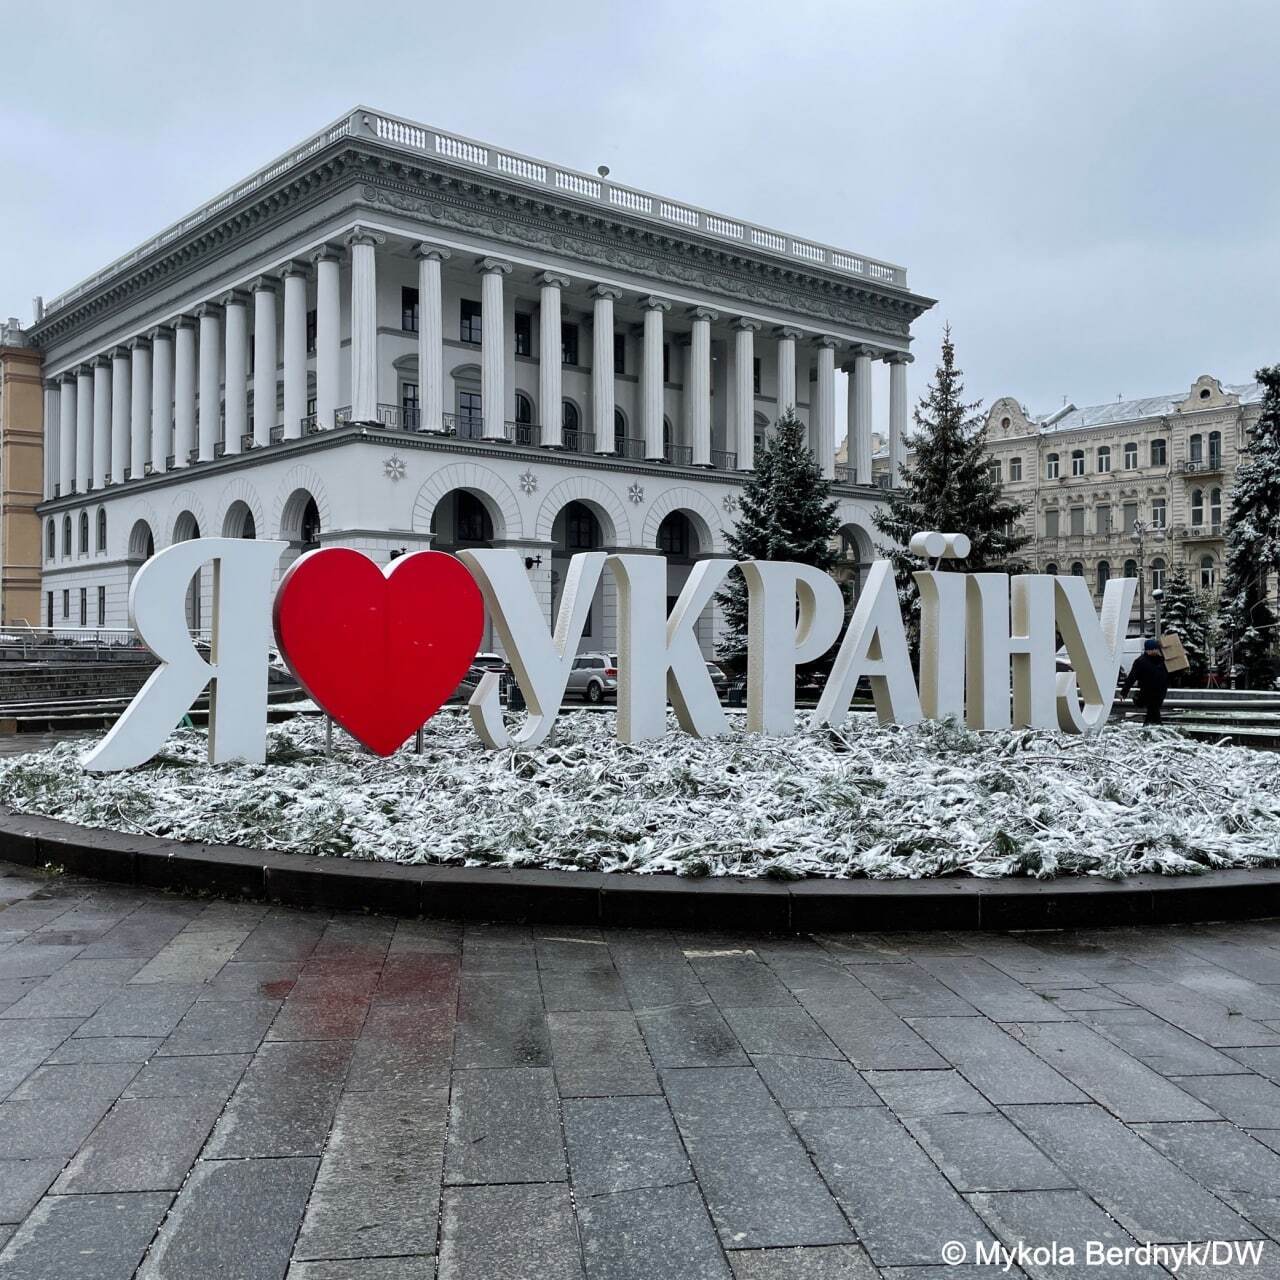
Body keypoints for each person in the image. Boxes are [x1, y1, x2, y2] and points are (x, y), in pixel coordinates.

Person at [1120, 638, 1170, 725]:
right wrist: (1124, 692)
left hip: (1160, 692)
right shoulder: (1140, 661)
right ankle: (1155, 729)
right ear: (1148, 650)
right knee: (1153, 712)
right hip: (1148, 692)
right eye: (1153, 649)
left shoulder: (1161, 660)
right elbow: (1131, 677)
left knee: (1153, 713)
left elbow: (1169, 673)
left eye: (1156, 649)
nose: (1156, 651)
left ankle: (1151, 730)